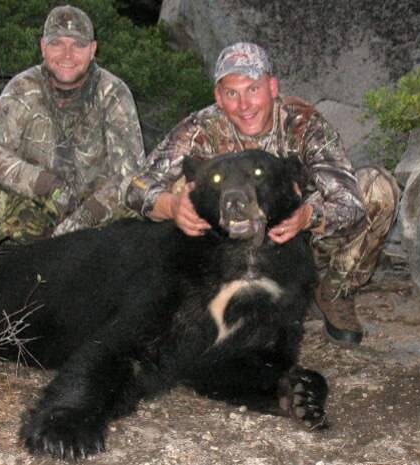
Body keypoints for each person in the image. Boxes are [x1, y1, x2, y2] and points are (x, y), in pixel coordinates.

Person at [126, 42, 399, 347]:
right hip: (233, 253)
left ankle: (333, 293)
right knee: (180, 190)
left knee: (377, 187)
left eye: (253, 89)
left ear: (272, 87)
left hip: (299, 237)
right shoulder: (200, 128)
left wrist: (309, 216)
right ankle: (207, 302)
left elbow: (350, 202)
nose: (244, 104)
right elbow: (136, 185)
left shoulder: (303, 123)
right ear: (218, 96)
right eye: (232, 93)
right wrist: (171, 205)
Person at [0, 5, 145, 282]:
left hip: (97, 219)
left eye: (77, 45)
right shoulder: (24, 87)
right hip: (39, 209)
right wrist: (44, 182)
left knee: (145, 208)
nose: (67, 55)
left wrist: (85, 218)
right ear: (43, 46)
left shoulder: (113, 93)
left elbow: (129, 174)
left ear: (92, 49)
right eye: (57, 43)